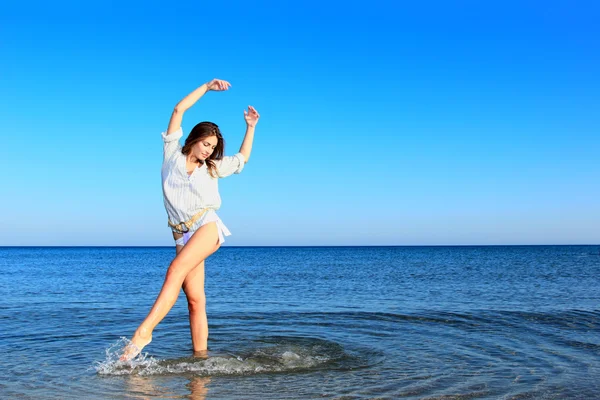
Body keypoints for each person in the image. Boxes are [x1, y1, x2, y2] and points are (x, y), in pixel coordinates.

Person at [120, 78, 260, 361]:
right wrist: (206, 88)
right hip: (180, 235)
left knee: (174, 271)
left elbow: (243, 158)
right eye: (206, 144)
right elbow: (178, 110)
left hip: (207, 226)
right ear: (194, 139)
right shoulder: (171, 155)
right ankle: (201, 359)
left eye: (213, 146)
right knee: (195, 301)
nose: (209, 150)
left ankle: (144, 333)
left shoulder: (213, 168)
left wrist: (251, 127)